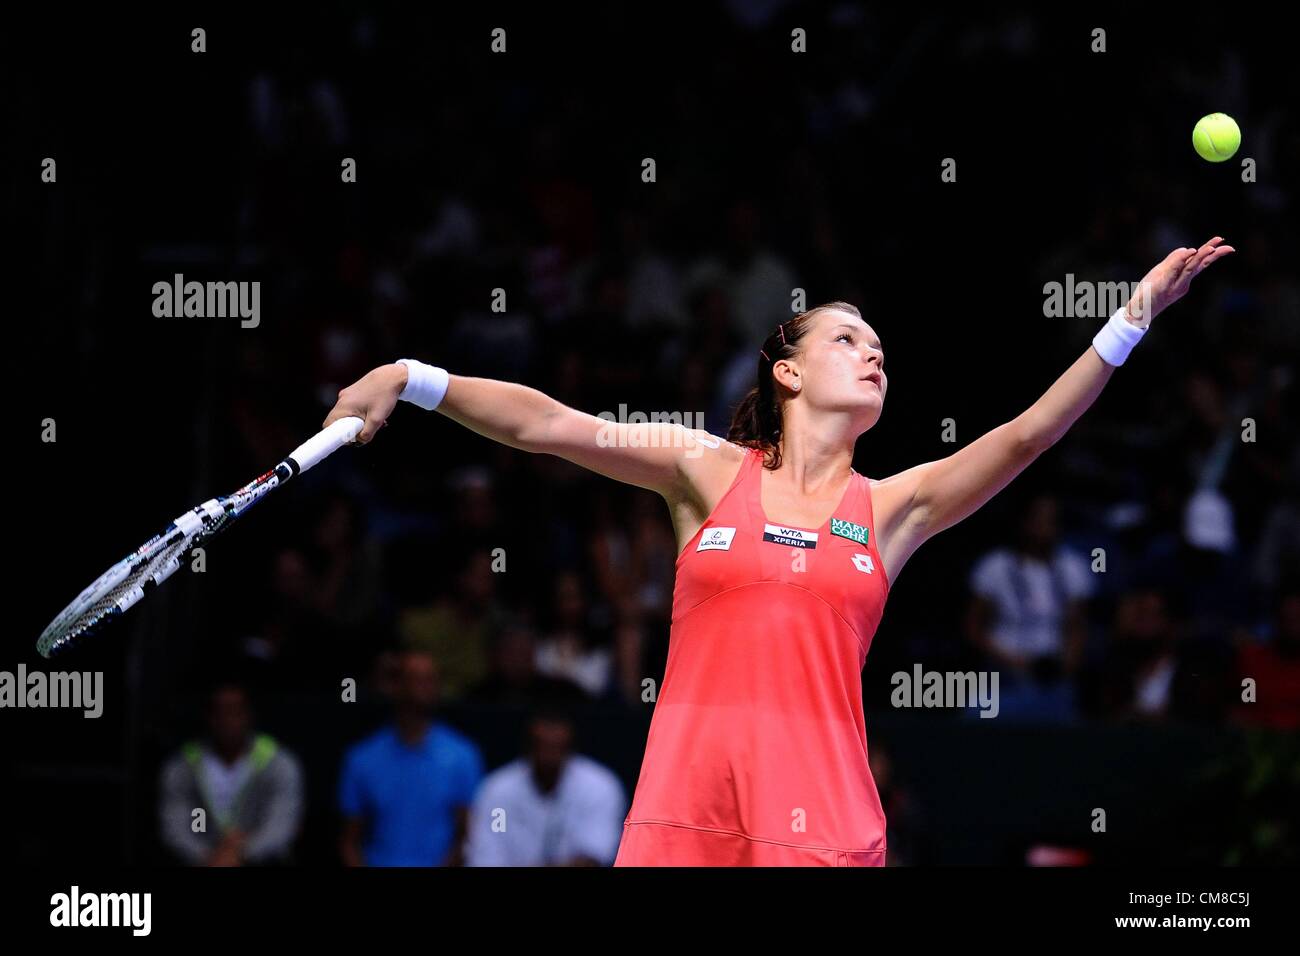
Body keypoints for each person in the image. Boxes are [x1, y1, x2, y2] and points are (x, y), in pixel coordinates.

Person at [324, 238, 1233, 865]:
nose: (874, 354)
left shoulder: (891, 508)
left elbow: (1028, 435)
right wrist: (408, 378)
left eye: (881, 348)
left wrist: (1133, 318)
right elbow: (550, 425)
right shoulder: (706, 472)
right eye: (848, 339)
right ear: (788, 372)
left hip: (819, 829)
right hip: (684, 818)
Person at [338, 649, 484, 866]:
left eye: (431, 679)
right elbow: (349, 841)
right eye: (416, 679)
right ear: (396, 685)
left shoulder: (462, 756)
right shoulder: (361, 758)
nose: (425, 686)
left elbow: (468, 836)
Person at [159, 681, 304, 866]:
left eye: (235, 712)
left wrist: (242, 852)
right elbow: (175, 827)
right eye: (220, 712)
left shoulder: (279, 763)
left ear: (249, 715)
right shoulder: (183, 765)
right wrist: (209, 857)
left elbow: (281, 825)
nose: (227, 720)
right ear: (208, 717)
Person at [465, 706, 627, 866]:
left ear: (570, 748)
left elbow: (595, 856)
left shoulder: (599, 786)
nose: (549, 756)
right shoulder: (497, 790)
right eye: (542, 747)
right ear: (528, 748)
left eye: (557, 748)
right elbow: (486, 856)